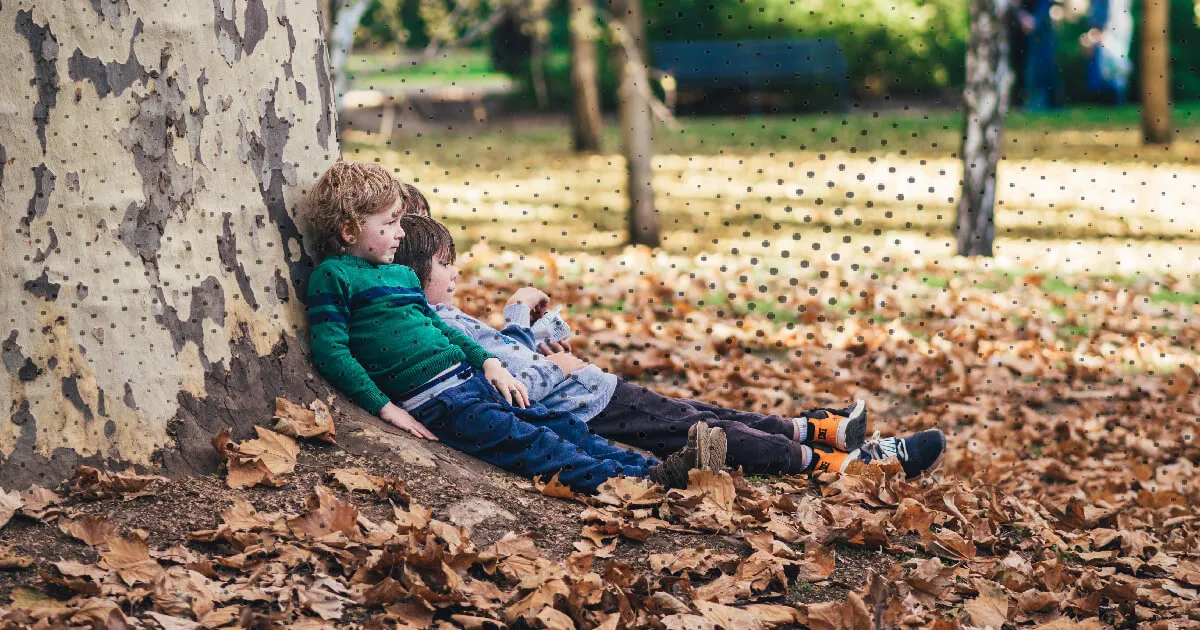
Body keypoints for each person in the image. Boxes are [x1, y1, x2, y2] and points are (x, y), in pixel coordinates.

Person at [392, 211, 948, 480]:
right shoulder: (432, 324)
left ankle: (817, 428)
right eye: (446, 265)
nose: (457, 275)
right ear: (415, 273)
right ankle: (842, 466)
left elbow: (514, 362)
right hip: (587, 406)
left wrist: (537, 336)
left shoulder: (439, 313)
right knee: (707, 433)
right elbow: (515, 380)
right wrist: (518, 321)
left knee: (705, 413)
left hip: (592, 389)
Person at [302, 160, 726, 492]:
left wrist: (489, 363)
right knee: (534, 445)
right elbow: (332, 352)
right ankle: (635, 486)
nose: (400, 233)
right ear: (349, 229)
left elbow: (442, 330)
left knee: (558, 425)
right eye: (389, 223)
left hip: (471, 380)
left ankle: (661, 471)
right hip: (439, 403)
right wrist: (384, 407)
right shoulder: (335, 277)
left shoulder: (401, 276)